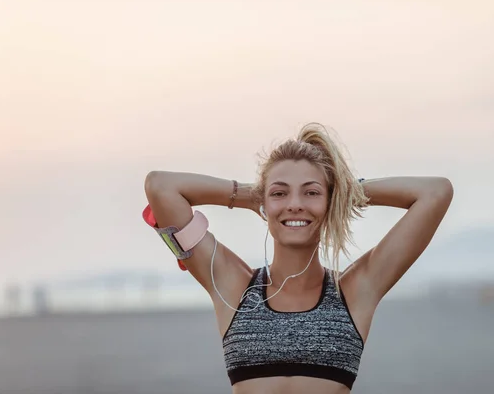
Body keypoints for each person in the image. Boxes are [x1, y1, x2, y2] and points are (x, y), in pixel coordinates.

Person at [143, 123, 454, 393]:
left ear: (330, 202)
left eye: (311, 192)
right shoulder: (234, 286)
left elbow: (435, 193)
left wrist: (343, 190)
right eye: (280, 193)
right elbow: (161, 186)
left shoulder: (356, 291)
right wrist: (254, 195)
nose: (294, 204)